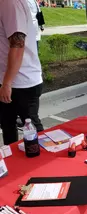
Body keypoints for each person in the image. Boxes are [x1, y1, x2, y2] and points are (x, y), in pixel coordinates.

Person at [0, 0, 43, 145]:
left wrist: (7, 82)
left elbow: (18, 46)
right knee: (7, 127)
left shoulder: (9, 3)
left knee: (33, 131)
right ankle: (13, 165)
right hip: (10, 80)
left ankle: (43, 165)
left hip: (21, 82)